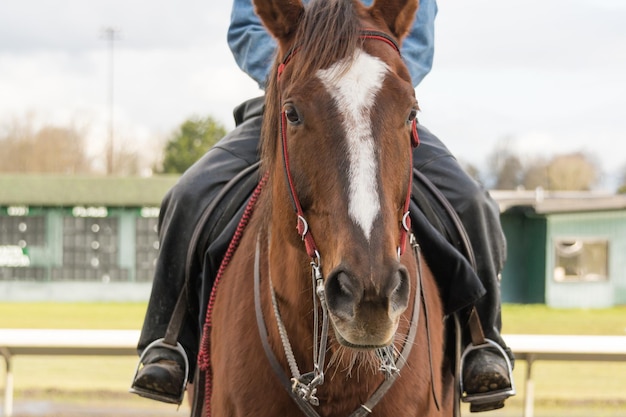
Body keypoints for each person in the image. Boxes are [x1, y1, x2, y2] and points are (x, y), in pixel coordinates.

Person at [131, 0, 515, 412]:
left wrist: (369, 67)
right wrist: (300, 65)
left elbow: (417, 36)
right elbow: (246, 25)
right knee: (188, 196)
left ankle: (484, 342)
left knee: (472, 202)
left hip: (377, 98)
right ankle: (167, 343)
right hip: (299, 93)